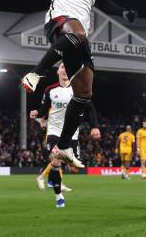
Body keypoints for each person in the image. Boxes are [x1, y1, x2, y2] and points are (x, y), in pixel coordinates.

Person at [20, 0, 135, 167]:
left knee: (84, 93)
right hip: (59, 22)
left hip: (79, 36)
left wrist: (123, 12)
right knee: (77, 31)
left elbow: (102, 1)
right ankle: (36, 74)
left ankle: (63, 147)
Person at [29, 63, 100, 207]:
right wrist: (37, 113)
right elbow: (44, 109)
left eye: (67, 68)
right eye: (62, 67)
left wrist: (95, 127)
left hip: (72, 133)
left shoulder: (79, 90)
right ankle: (59, 197)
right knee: (55, 161)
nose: (65, 70)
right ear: (58, 72)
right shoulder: (50, 90)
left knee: (75, 168)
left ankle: (51, 177)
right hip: (54, 131)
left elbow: (90, 108)